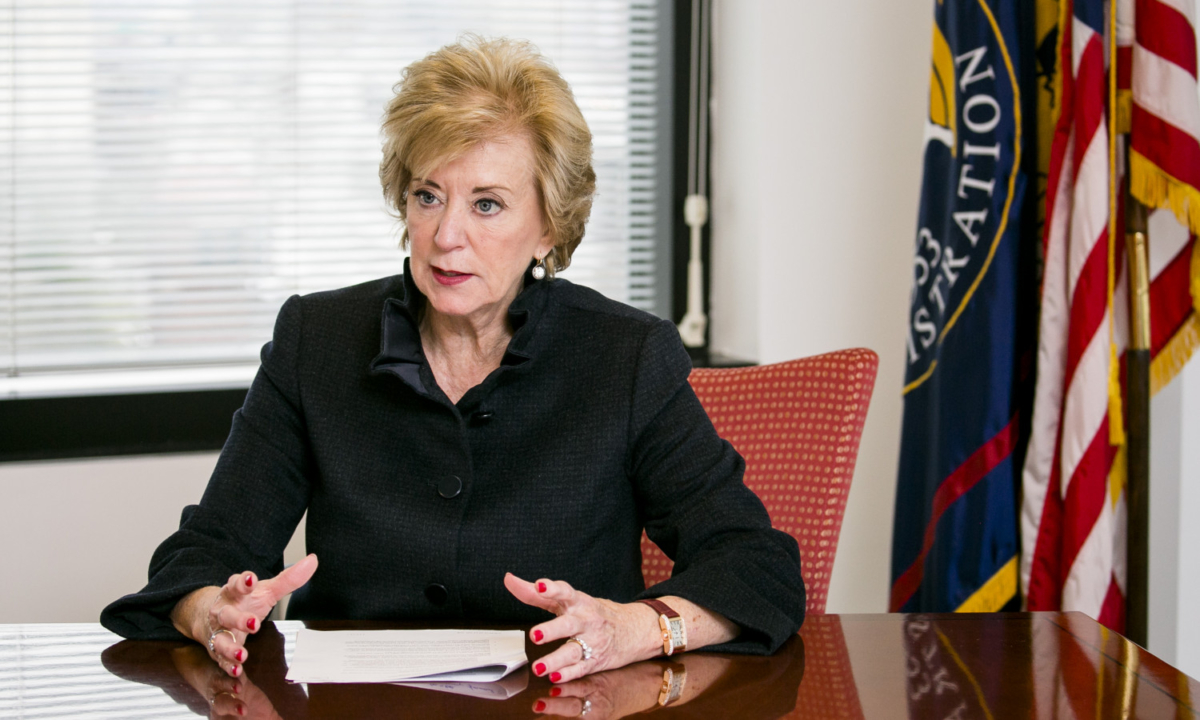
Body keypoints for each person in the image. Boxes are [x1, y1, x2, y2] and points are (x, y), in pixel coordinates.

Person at [101, 36, 805, 685]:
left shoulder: (623, 357)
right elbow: (204, 554)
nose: (446, 236)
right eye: (427, 196)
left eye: (488, 205)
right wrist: (208, 610)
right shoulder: (315, 339)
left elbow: (754, 566)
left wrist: (636, 628)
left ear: (549, 227)